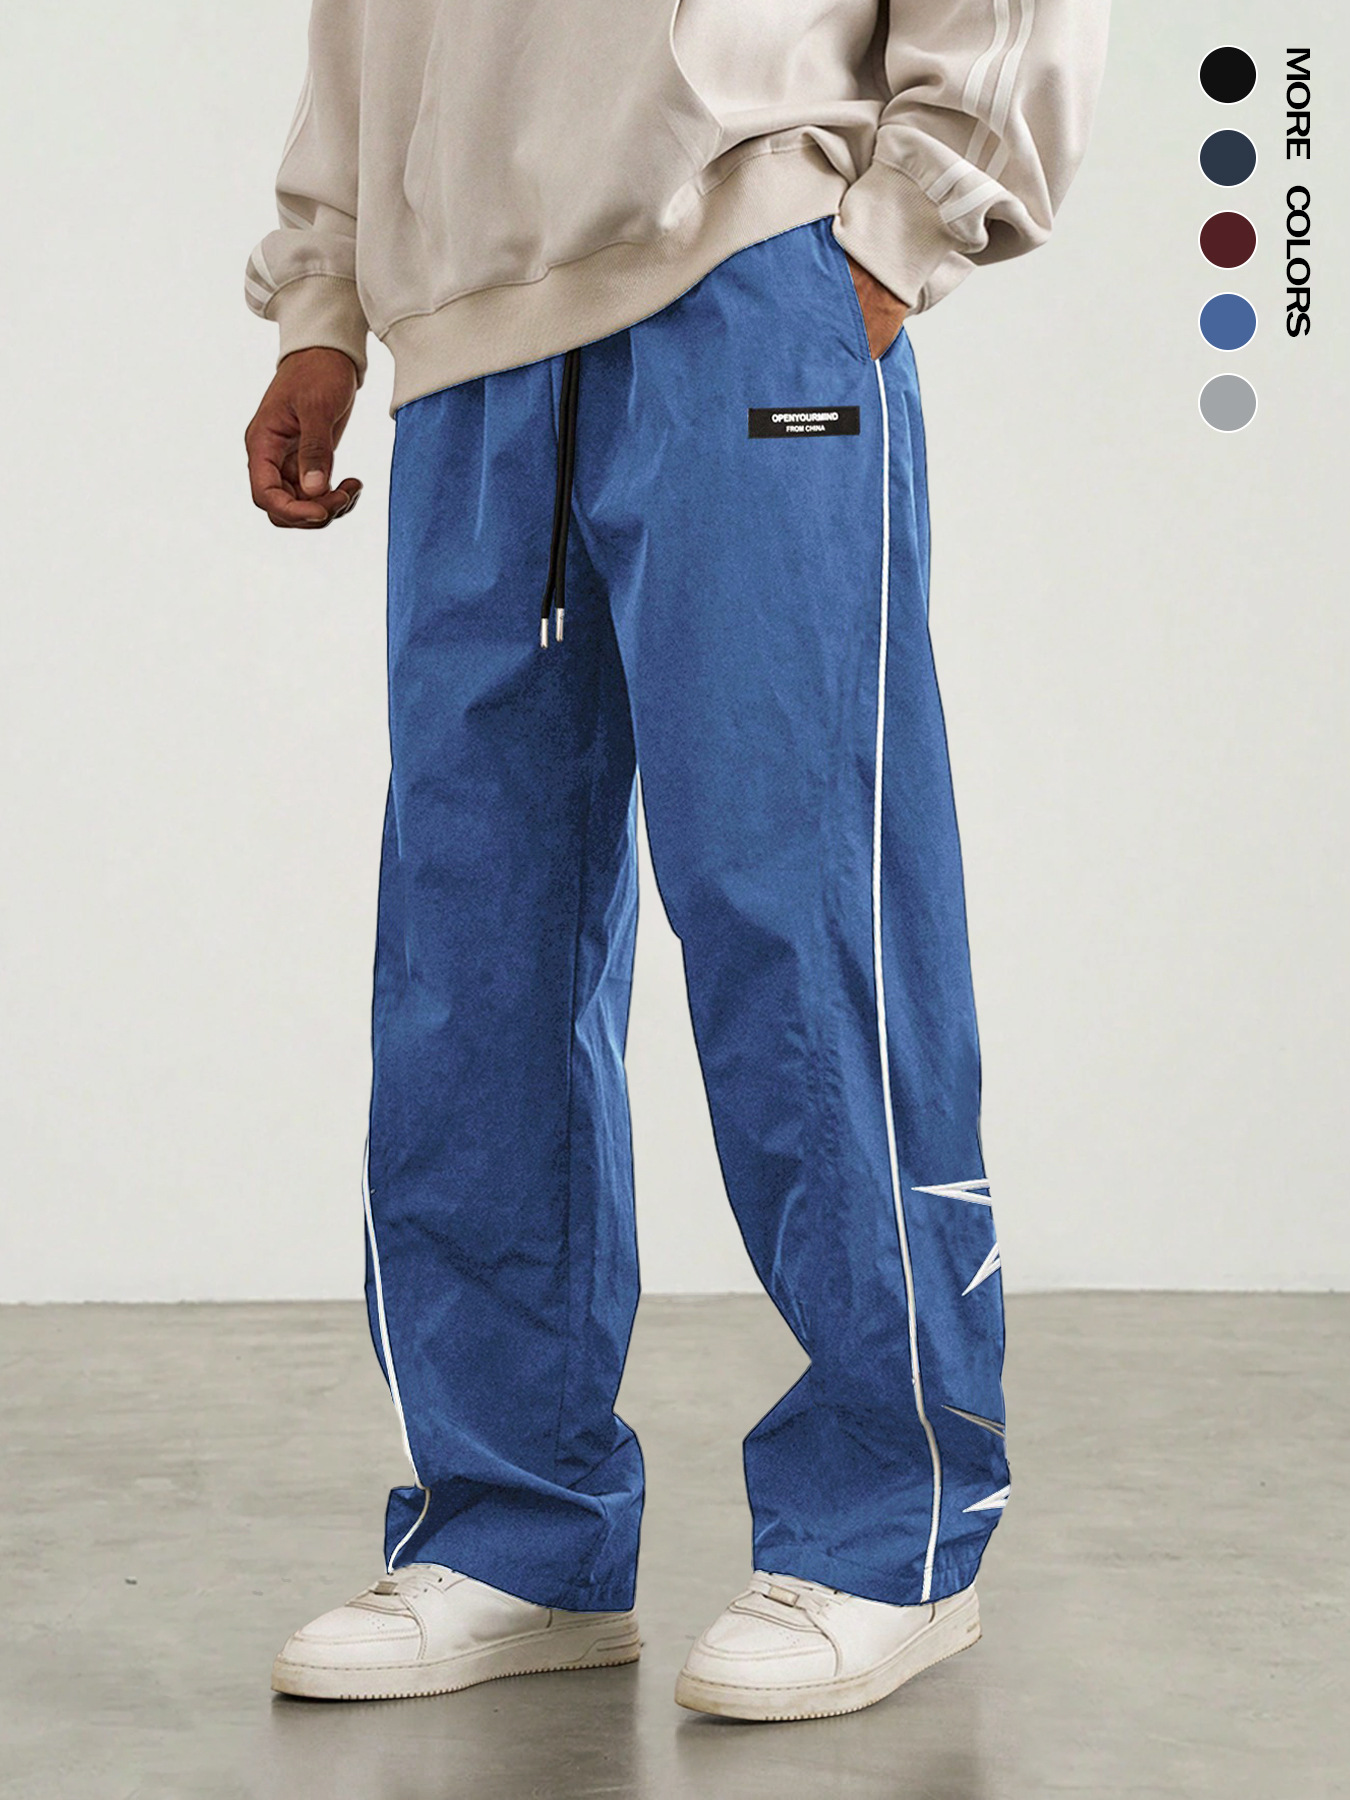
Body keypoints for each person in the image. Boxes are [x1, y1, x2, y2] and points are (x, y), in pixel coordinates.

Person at [244, 0, 1110, 1722]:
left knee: (801, 914)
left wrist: (899, 231)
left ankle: (890, 1531)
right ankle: (516, 1532)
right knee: (471, 956)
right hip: (466, 345)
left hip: (750, 276)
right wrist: (324, 306)